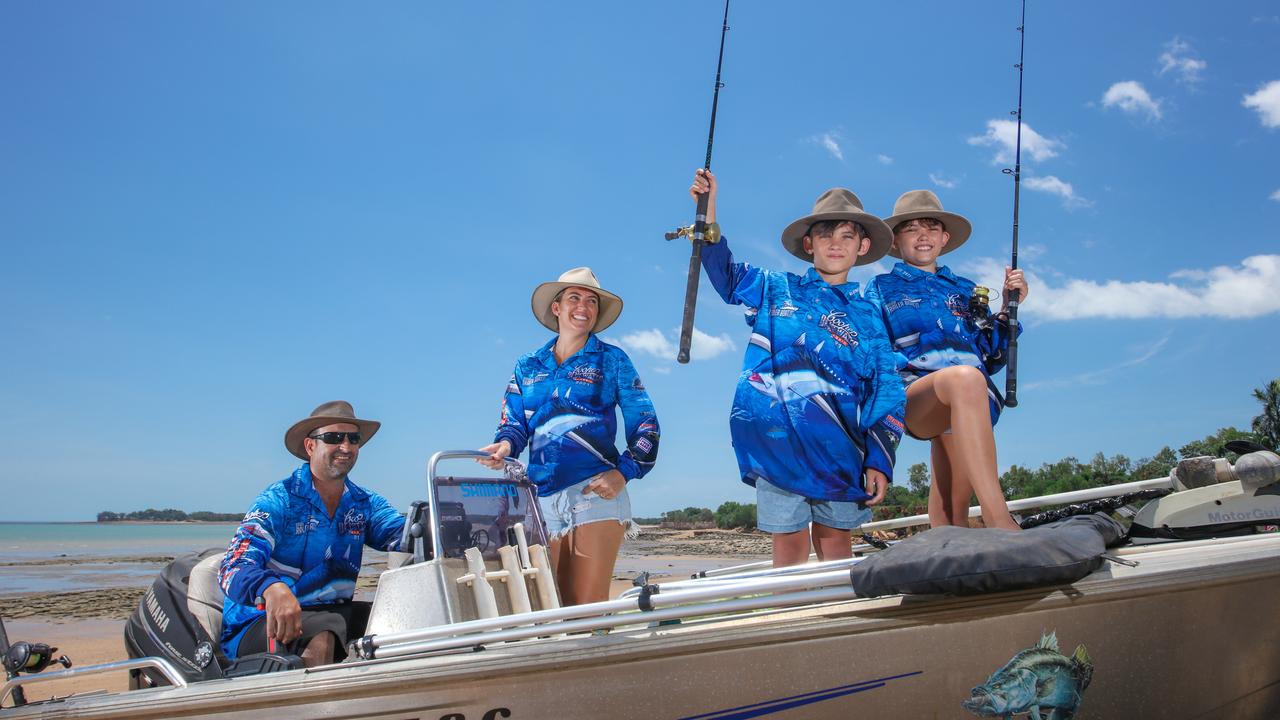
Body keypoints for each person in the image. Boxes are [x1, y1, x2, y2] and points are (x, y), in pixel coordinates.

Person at [689, 169, 905, 567]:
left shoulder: (871, 318)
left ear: (863, 245)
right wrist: (708, 209)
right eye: (826, 235)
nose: (835, 244)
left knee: (836, 550)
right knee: (788, 554)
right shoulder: (774, 287)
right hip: (777, 449)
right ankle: (791, 623)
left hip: (842, 453)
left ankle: (836, 625)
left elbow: (887, 392)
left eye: (847, 236)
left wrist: (880, 459)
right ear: (809, 244)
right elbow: (726, 276)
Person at [478, 267, 660, 605]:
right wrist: (504, 446)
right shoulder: (528, 365)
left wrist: (624, 472)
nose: (584, 306)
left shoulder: (613, 360)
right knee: (549, 605)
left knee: (587, 607)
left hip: (594, 493)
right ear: (556, 308)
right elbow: (514, 425)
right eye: (574, 298)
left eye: (591, 301)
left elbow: (646, 424)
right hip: (539, 498)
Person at [863, 190, 1029, 531]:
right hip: (916, 398)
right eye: (911, 228)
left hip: (970, 402)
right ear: (895, 241)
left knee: (953, 514)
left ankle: (950, 543)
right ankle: (999, 518)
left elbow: (990, 356)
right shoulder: (880, 288)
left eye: (931, 227)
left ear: (944, 237)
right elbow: (873, 352)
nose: (923, 235)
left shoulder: (966, 289)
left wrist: (1007, 310)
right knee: (964, 379)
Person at [218, 401, 403, 666]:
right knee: (322, 633)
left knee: (397, 621)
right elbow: (232, 567)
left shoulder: (364, 503)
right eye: (333, 438)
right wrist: (271, 587)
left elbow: (406, 534)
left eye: (354, 439)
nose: (346, 446)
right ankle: (315, 706)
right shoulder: (279, 500)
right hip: (259, 621)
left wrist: (446, 526)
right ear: (310, 446)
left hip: (332, 613)